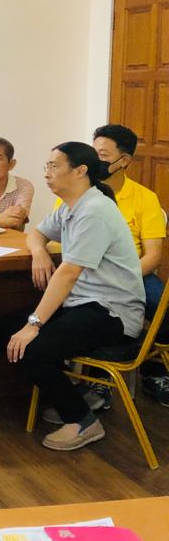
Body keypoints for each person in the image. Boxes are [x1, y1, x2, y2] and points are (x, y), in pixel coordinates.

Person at [0, 143, 144, 452]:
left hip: (113, 312)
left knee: (32, 348)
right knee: (1, 329)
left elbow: (68, 273)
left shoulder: (95, 211)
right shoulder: (71, 206)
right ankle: (70, 394)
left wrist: (34, 324)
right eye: (46, 166)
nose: (47, 173)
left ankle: (82, 420)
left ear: (80, 171)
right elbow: (37, 233)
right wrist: (38, 253)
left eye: (54, 166)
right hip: (81, 303)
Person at [90, 125, 169, 407]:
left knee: (163, 307)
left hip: (135, 272)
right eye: (93, 153)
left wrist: (123, 278)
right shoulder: (78, 191)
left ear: (124, 161)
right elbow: (55, 238)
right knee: (93, 311)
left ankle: (154, 370)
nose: (95, 161)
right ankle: (97, 380)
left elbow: (153, 256)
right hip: (89, 273)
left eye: (102, 155)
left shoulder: (144, 198)